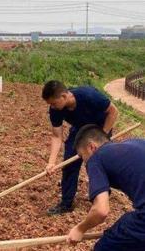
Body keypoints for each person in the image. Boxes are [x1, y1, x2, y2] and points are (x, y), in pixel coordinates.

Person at [42, 80, 118, 215]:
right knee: (70, 162)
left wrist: (102, 137)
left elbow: (113, 112)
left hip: (100, 127)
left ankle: (101, 195)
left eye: (53, 103)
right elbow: (56, 136)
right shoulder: (55, 110)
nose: (52, 107)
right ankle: (66, 204)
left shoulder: (89, 95)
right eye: (50, 104)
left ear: (64, 97)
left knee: (98, 162)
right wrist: (51, 162)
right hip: (80, 129)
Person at [67, 124, 145, 250]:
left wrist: (80, 229)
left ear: (91, 147)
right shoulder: (135, 142)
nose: (84, 162)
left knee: (104, 247)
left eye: (82, 156)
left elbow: (101, 210)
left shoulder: (96, 158)